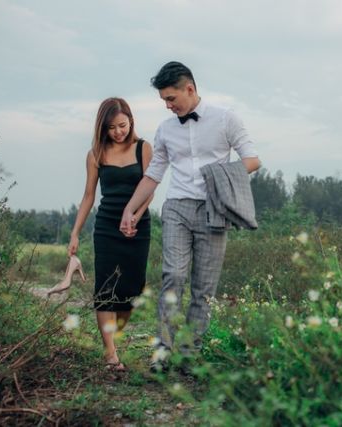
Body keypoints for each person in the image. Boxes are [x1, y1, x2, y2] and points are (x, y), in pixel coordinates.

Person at [119, 61, 260, 370]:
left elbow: (252, 160)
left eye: (171, 99)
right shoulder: (166, 129)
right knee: (173, 275)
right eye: (164, 101)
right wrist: (130, 208)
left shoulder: (226, 119)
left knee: (204, 287)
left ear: (190, 89)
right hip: (177, 207)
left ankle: (189, 353)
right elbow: (154, 174)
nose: (168, 106)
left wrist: (217, 176)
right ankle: (162, 351)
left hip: (214, 209)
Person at [68, 97, 153, 371]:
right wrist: (75, 232)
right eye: (111, 128)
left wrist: (135, 218)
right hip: (106, 227)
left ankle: (114, 337)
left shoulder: (144, 149)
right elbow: (88, 196)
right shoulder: (95, 154)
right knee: (106, 289)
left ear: (131, 121)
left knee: (131, 291)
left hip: (138, 229)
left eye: (122, 125)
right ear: (102, 128)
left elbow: (149, 189)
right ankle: (110, 353)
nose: (118, 132)